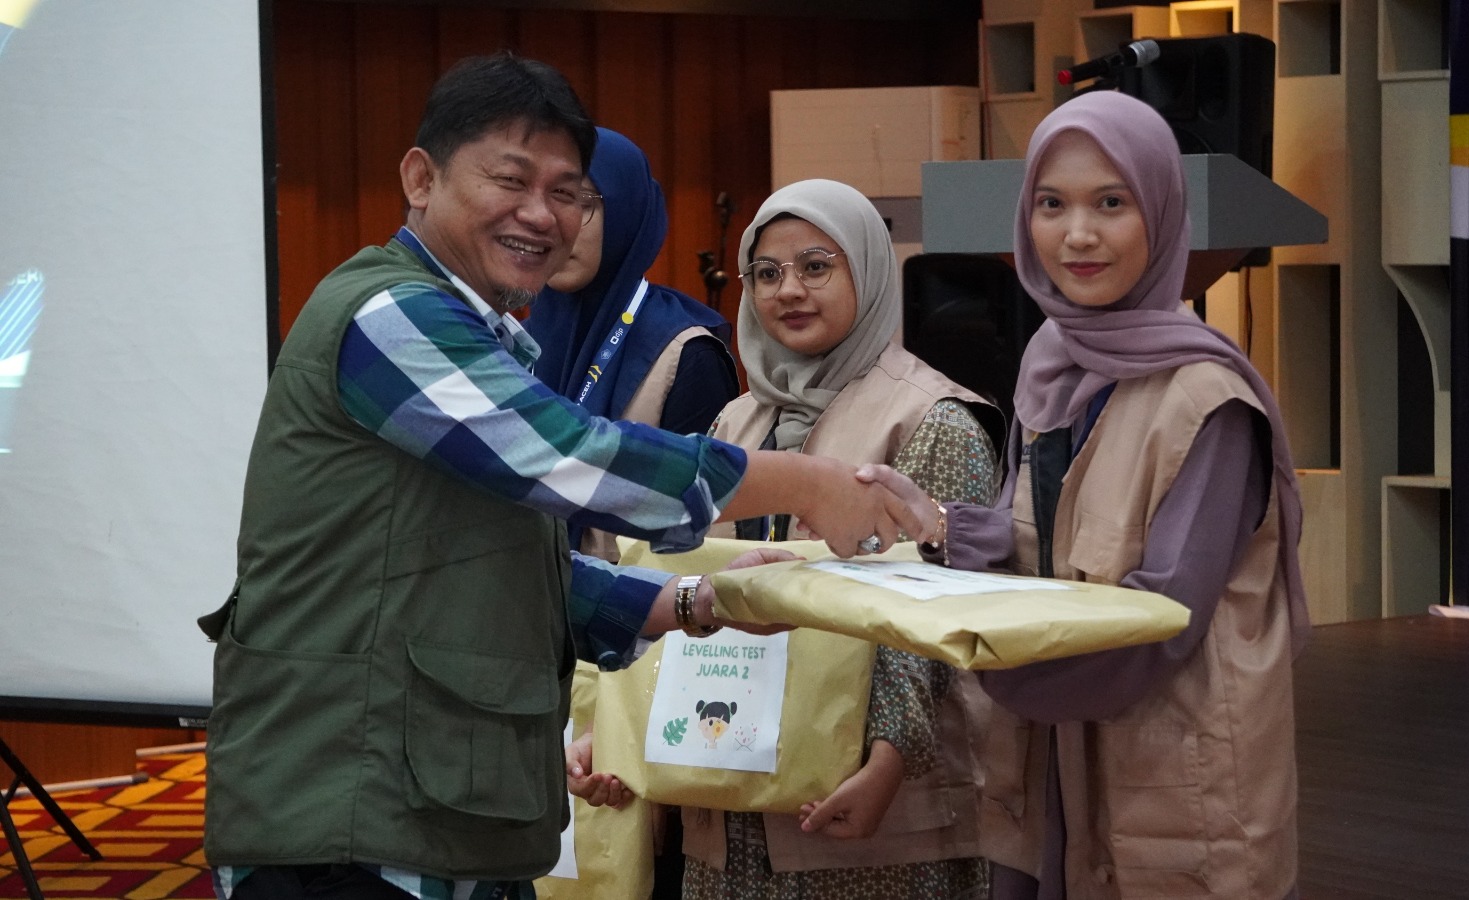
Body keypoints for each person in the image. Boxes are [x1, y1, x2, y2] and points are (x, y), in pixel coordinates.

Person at [199, 53, 937, 900]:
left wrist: (703, 601)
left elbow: (500, 562)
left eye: (568, 193)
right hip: (346, 828)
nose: (541, 215)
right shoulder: (390, 315)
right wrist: (809, 483)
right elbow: (573, 458)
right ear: (421, 178)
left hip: (437, 823)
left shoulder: (487, 337)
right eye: (511, 180)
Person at [905, 90, 1312, 899]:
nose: (1078, 234)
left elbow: (1162, 621)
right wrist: (934, 524)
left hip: (1168, 778)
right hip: (1048, 768)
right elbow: (1038, 541)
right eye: (1051, 204)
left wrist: (996, 673)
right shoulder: (1048, 368)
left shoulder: (1208, 401)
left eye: (1111, 203)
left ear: (1160, 213)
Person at [569, 178, 1004, 899]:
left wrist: (891, 756)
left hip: (867, 807)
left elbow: (938, 616)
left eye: (816, 266)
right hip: (728, 805)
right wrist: (615, 731)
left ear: (867, 270)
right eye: (767, 273)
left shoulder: (935, 419)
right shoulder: (734, 423)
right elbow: (692, 587)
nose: (789, 290)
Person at [528, 127, 739, 563]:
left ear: (626, 212)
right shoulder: (517, 339)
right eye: (546, 200)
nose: (554, 223)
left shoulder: (687, 354)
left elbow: (699, 536)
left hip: (641, 601)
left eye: (578, 201)